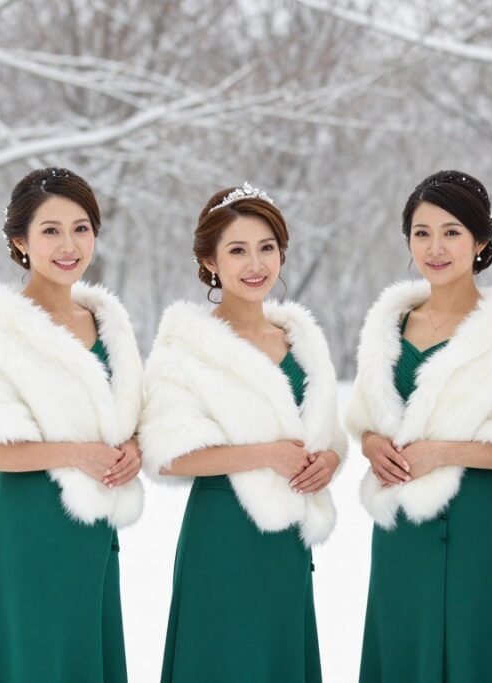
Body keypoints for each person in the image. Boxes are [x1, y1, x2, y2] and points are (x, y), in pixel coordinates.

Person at [0, 167, 144, 683]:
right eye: (50, 230)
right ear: (20, 241)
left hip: (94, 536)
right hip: (30, 530)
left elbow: (128, 416)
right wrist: (75, 453)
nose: (68, 245)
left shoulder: (110, 325)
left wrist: (134, 447)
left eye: (81, 228)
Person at [140, 182, 345, 683]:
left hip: (288, 545)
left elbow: (327, 432)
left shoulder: (300, 341)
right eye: (237, 251)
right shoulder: (187, 345)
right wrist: (266, 455)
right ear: (209, 261)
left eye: (266, 248)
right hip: (221, 538)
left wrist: (330, 459)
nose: (255, 264)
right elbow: (167, 454)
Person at [347, 170, 492, 683]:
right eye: (422, 233)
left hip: (473, 518)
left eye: (451, 232)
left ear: (480, 241)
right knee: (401, 643)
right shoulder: (387, 325)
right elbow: (366, 416)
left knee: (475, 647)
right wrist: (371, 444)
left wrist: (442, 452)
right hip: (398, 525)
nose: (435, 248)